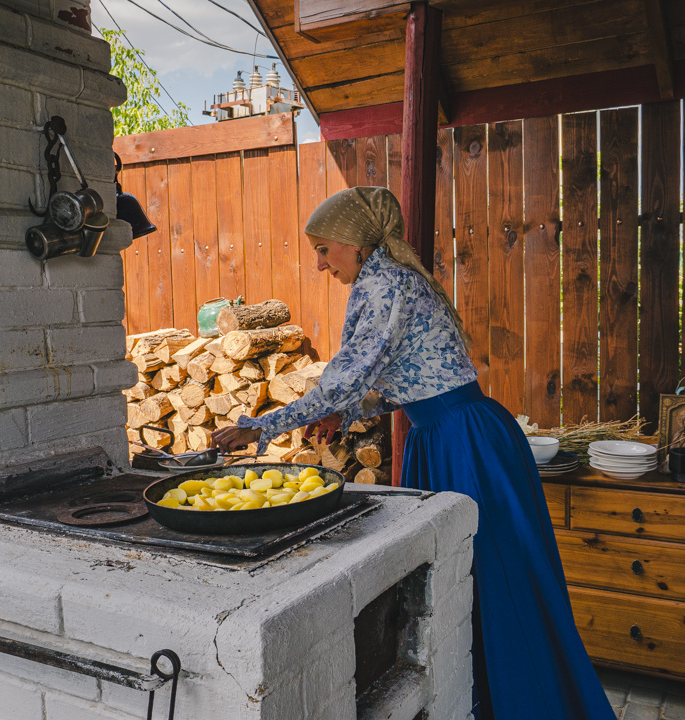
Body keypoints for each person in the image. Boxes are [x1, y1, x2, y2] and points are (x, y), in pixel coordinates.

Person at [213, 187, 615, 720]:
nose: (319, 263)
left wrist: (260, 425)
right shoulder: (381, 282)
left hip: (464, 443)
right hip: (447, 434)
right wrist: (348, 411)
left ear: (356, 245)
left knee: (495, 579)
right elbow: (409, 382)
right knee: (464, 579)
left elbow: (341, 381)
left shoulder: (386, 285)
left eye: (325, 249)